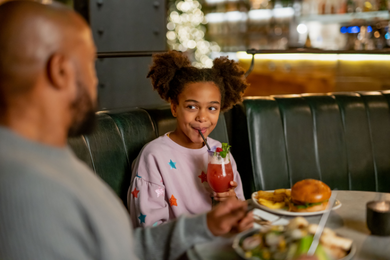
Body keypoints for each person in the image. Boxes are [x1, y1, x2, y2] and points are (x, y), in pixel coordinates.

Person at [0, 1, 253, 260]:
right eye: (89, 63)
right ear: (61, 70)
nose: (95, 80)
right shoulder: (22, 187)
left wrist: (205, 225)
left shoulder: (46, 158)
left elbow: (123, 248)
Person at [127, 51, 250, 227]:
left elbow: (239, 216)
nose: (202, 117)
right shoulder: (154, 156)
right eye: (192, 106)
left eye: (212, 108)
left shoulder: (221, 154)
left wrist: (232, 202)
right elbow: (149, 230)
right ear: (175, 108)